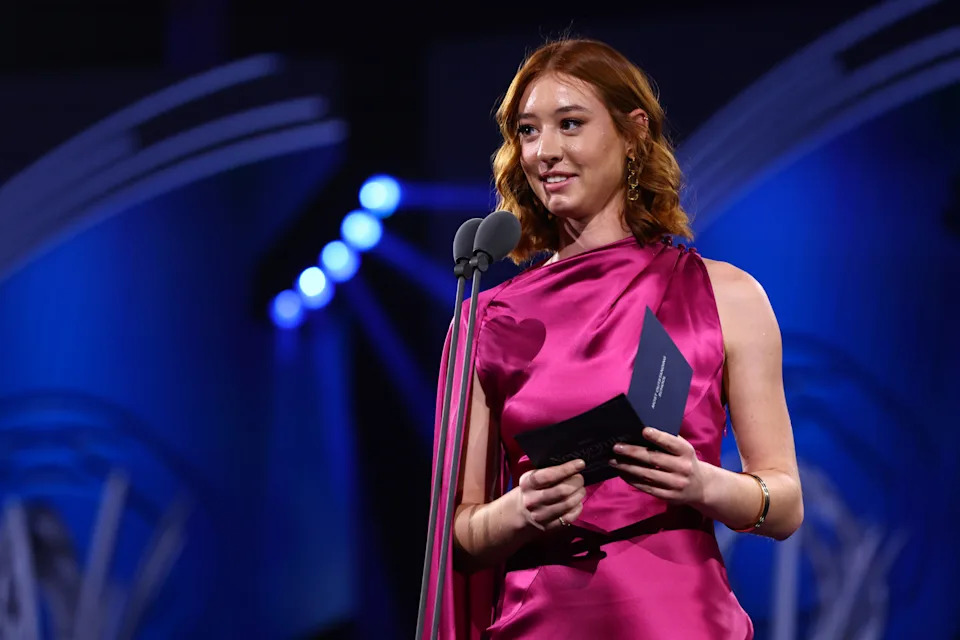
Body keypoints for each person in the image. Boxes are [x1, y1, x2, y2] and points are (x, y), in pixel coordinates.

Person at [425, 37, 803, 639]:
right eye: (527, 131)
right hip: (540, 624)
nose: (545, 151)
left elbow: (783, 503)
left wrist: (704, 484)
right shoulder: (488, 318)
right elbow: (460, 536)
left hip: (680, 620)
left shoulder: (724, 295)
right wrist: (520, 510)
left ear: (633, 133)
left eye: (570, 124)